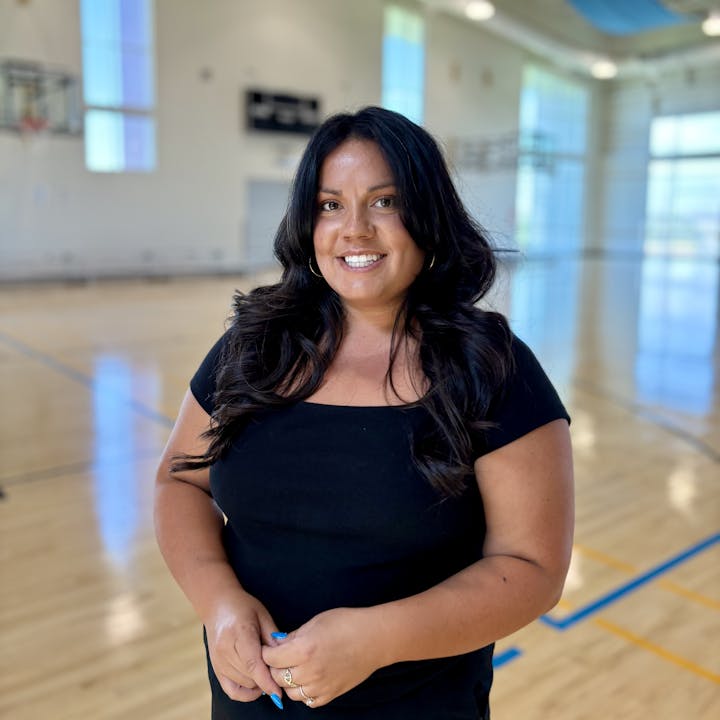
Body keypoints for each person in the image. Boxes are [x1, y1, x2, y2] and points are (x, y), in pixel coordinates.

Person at [154, 105, 574, 719]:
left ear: (427, 217)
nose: (354, 229)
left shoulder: (493, 368)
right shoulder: (251, 346)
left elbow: (532, 567)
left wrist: (376, 640)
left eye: (383, 202)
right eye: (330, 205)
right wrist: (219, 605)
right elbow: (179, 481)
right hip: (248, 701)